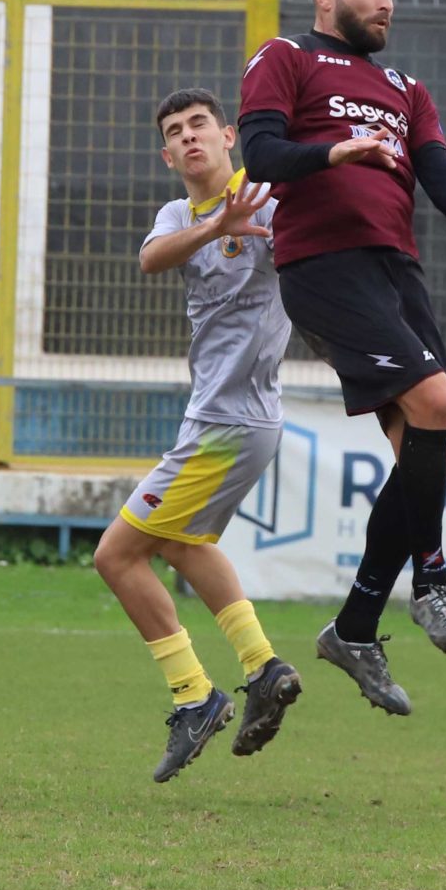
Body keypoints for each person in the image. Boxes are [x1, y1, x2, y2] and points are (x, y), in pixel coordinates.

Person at [237, 0, 446, 717]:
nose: (387, 1)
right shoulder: (287, 57)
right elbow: (259, 151)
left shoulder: (405, 88)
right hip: (324, 264)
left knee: (435, 453)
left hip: (397, 270)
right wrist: (333, 152)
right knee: (435, 404)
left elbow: (438, 168)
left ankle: (356, 628)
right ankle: (431, 583)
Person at [92, 89, 304, 783]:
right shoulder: (178, 216)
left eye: (199, 126)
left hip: (231, 422)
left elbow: (312, 254)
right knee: (184, 544)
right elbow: (152, 259)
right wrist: (216, 227)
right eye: (175, 132)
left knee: (116, 556)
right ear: (166, 154)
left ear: (228, 136)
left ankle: (194, 696)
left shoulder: (268, 200)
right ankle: (263, 667)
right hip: (221, 419)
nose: (189, 137)